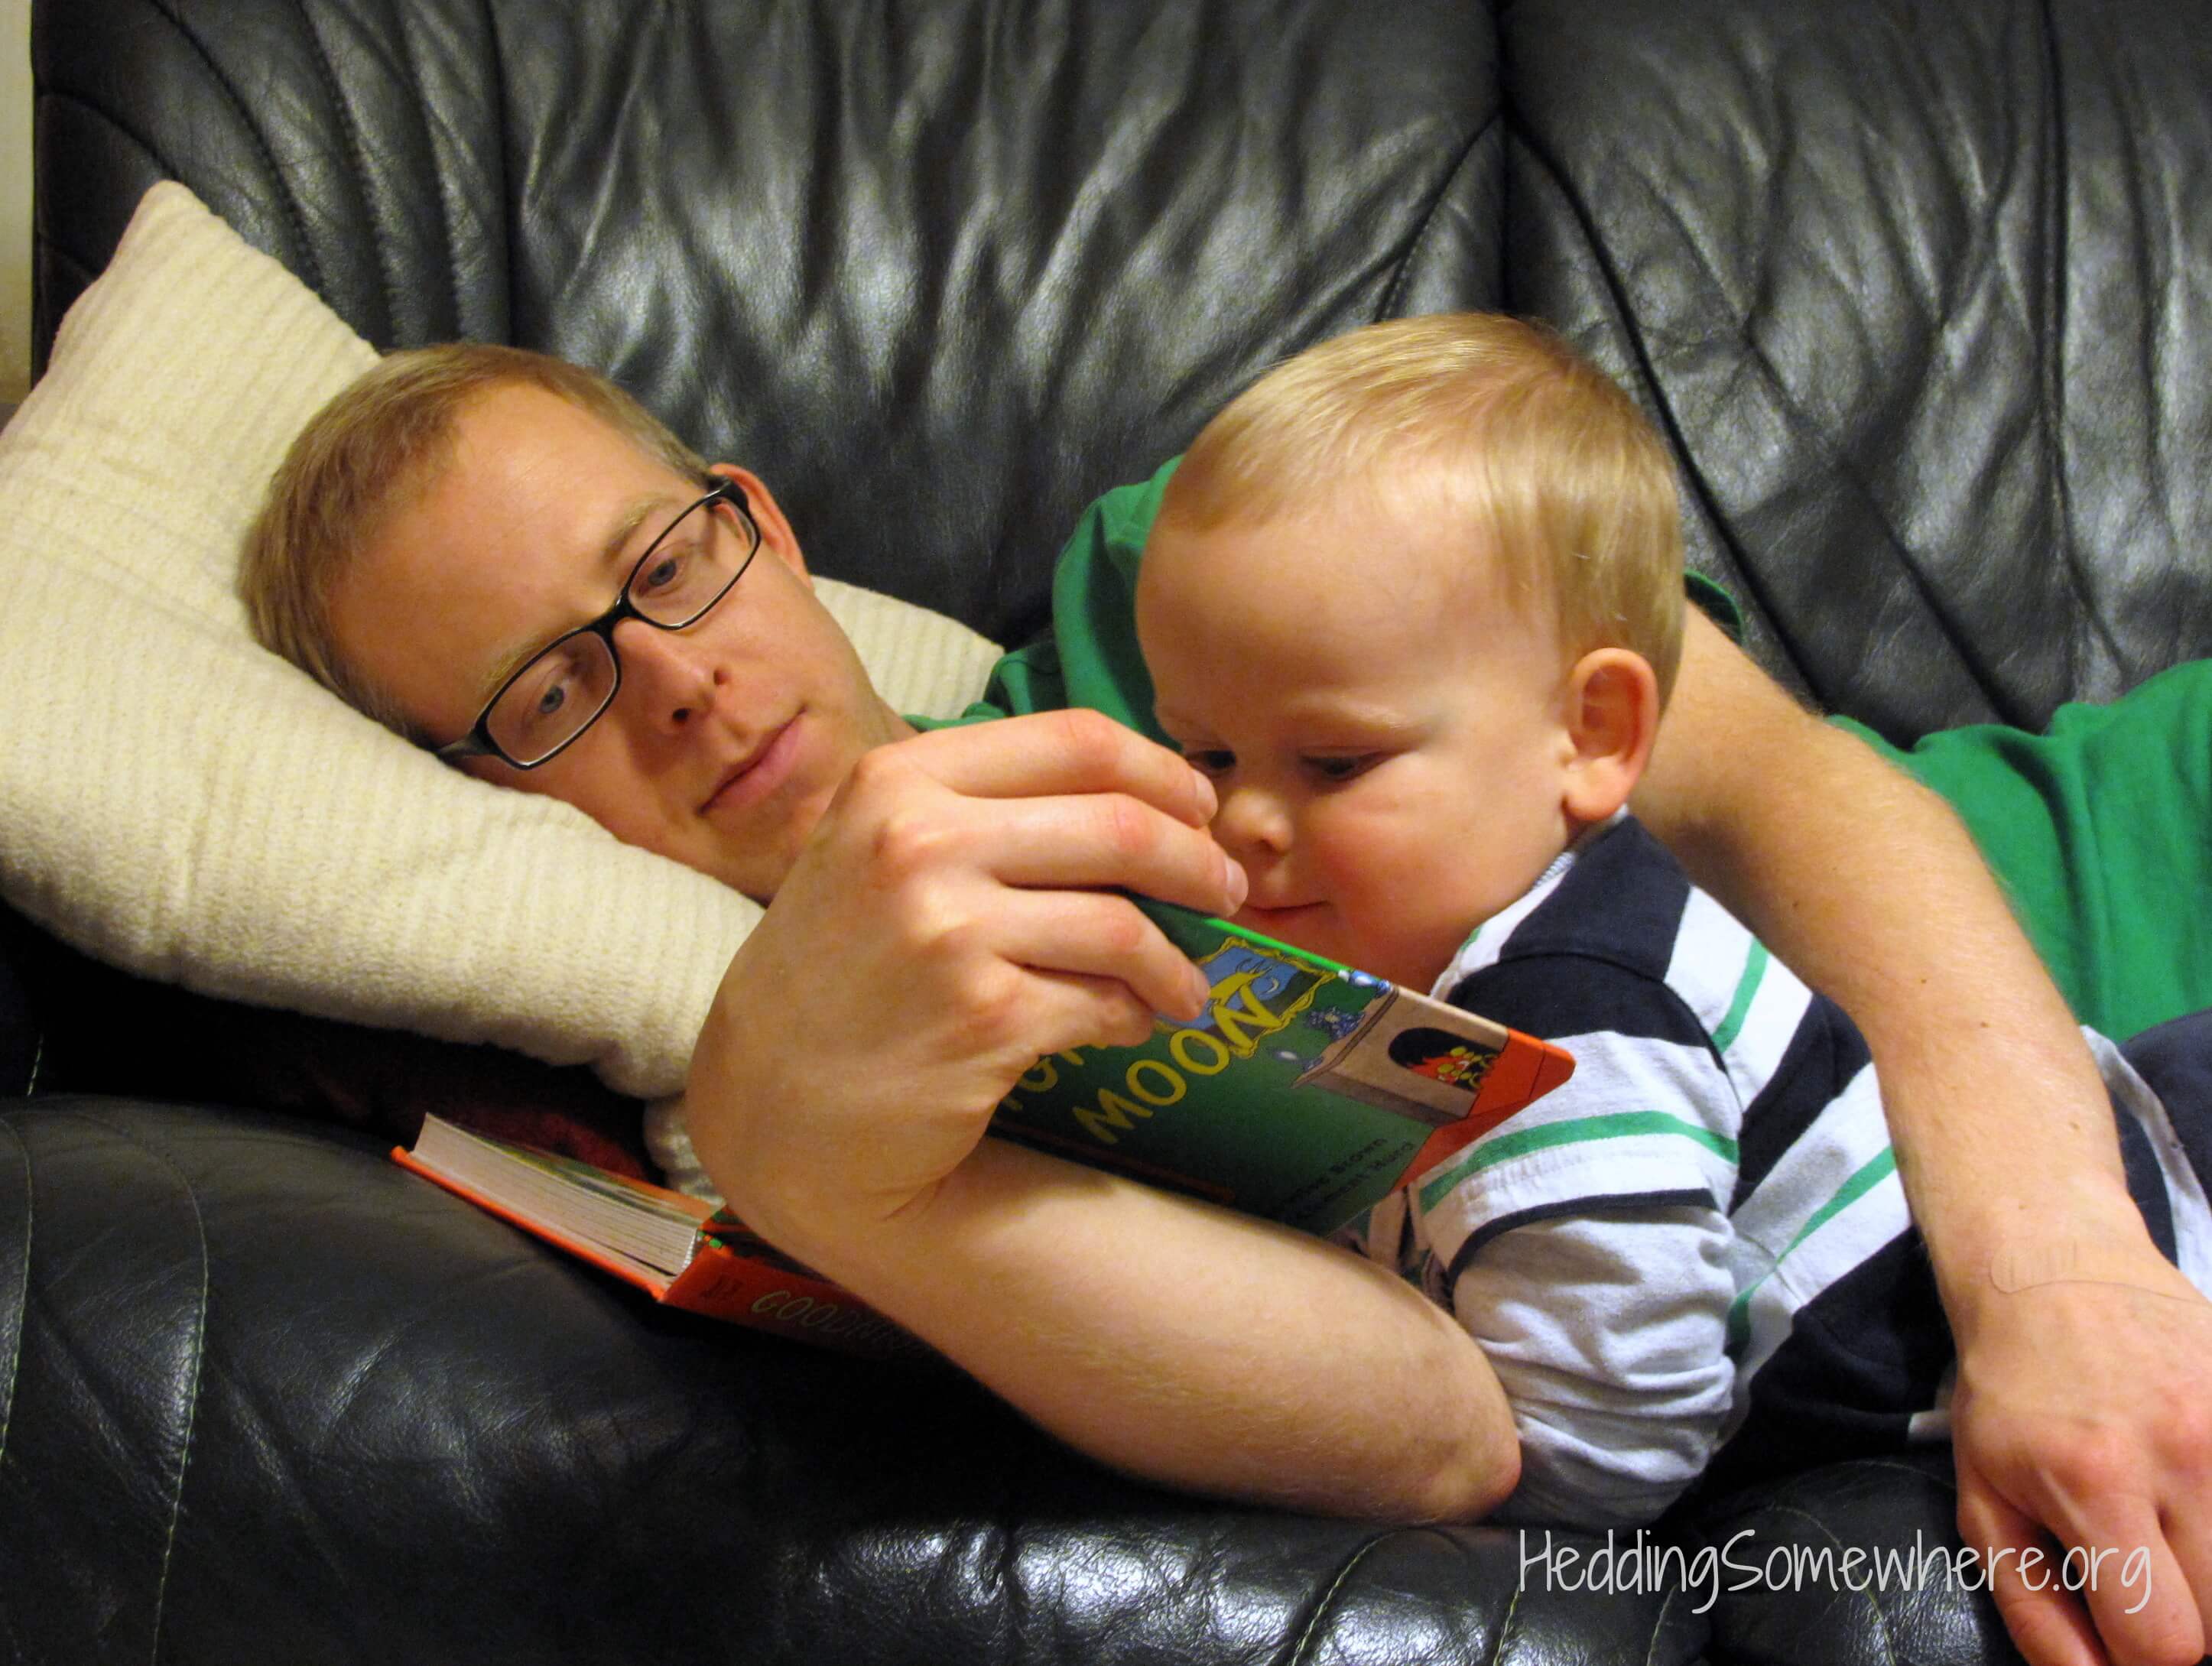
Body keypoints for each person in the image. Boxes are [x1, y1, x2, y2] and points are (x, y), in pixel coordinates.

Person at [242, 339, 2212, 1666]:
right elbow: (1490, 1421)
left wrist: (2061, 1269)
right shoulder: (813, 1081)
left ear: (760, 513)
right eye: (542, 694)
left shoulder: (1186, 593)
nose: (671, 680)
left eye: (665, 562)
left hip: (2132, 896)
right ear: (473, 801)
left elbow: (1765, 779)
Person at [1128, 311, 2212, 1541]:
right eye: (1206, 752)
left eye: (1334, 760)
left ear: (1591, 737)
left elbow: (1595, 1454)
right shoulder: (1420, 953)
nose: (1242, 819)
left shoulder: (1569, 1011)